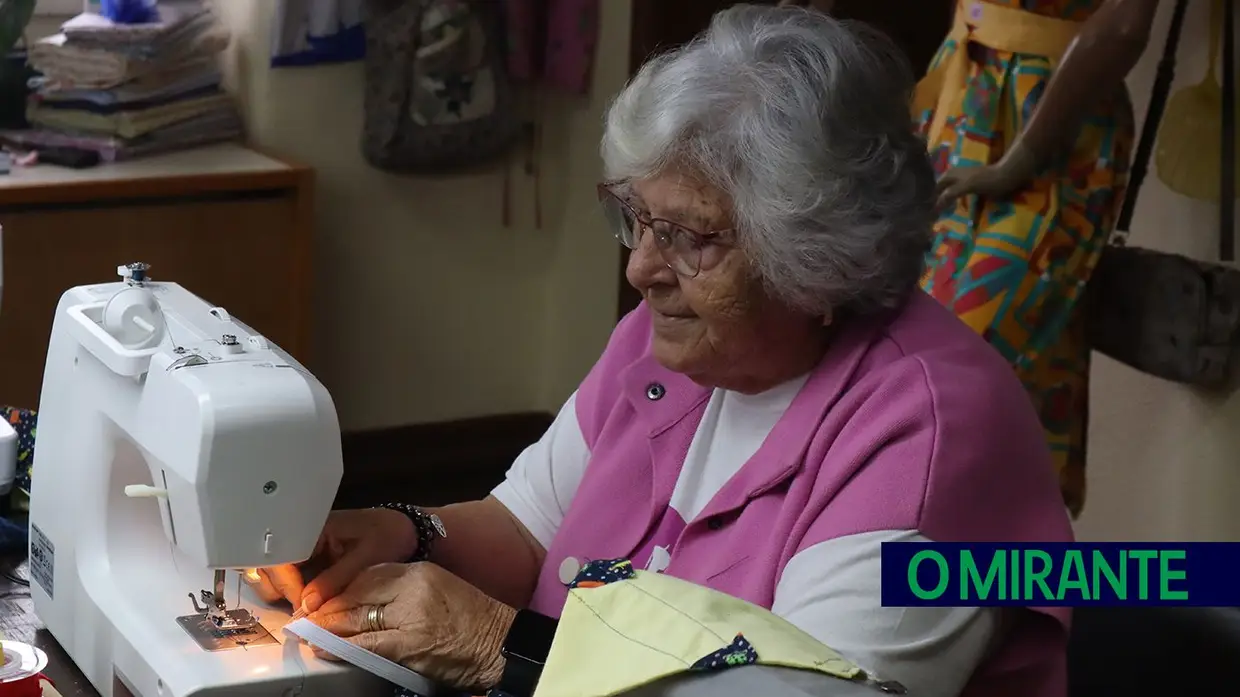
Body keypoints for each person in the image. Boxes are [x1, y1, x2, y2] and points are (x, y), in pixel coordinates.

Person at [252, 6, 1073, 697]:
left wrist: (499, 647)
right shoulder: (678, 347)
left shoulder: (929, 442)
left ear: (820, 256)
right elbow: (528, 528)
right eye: (638, 219)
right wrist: (406, 531)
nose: (641, 268)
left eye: (689, 238)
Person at [912, 0, 1158, 516]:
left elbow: (1125, 23)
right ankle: (1006, 582)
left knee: (952, 365)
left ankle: (960, 571)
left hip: (1053, 118)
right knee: (1032, 369)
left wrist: (1023, 158)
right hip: (965, 97)